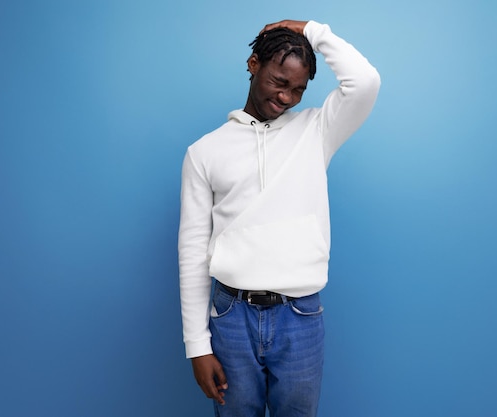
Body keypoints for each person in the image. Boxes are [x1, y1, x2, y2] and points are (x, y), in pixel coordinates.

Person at [178, 19, 380, 417]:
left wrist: (314, 31)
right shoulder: (204, 152)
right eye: (278, 82)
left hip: (299, 315)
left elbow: (366, 81)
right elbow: (191, 252)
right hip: (231, 317)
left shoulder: (317, 130)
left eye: (298, 90)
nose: (286, 97)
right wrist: (196, 346)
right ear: (254, 64)